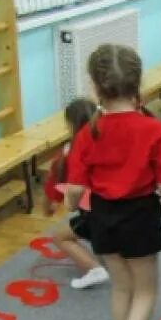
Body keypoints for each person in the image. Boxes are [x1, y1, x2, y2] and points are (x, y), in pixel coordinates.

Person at [66, 44, 161, 320]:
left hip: (102, 215)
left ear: (94, 86)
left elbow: (74, 191)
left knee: (121, 286)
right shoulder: (154, 130)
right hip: (139, 213)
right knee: (145, 288)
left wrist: (71, 208)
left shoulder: (88, 132)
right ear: (136, 82)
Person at [41, 98, 109, 290]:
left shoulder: (66, 156)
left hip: (97, 215)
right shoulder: (112, 143)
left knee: (59, 236)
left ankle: (94, 270)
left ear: (71, 125)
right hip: (127, 209)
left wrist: (48, 208)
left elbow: (51, 198)